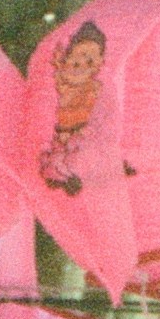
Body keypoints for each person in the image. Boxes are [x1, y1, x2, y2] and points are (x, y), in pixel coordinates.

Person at [39, 18, 106, 194]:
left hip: (81, 131)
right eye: (76, 63)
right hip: (65, 133)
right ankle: (63, 176)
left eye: (89, 63)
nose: (81, 68)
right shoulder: (65, 84)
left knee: (82, 154)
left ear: (99, 64)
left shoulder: (93, 88)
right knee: (60, 158)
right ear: (68, 61)